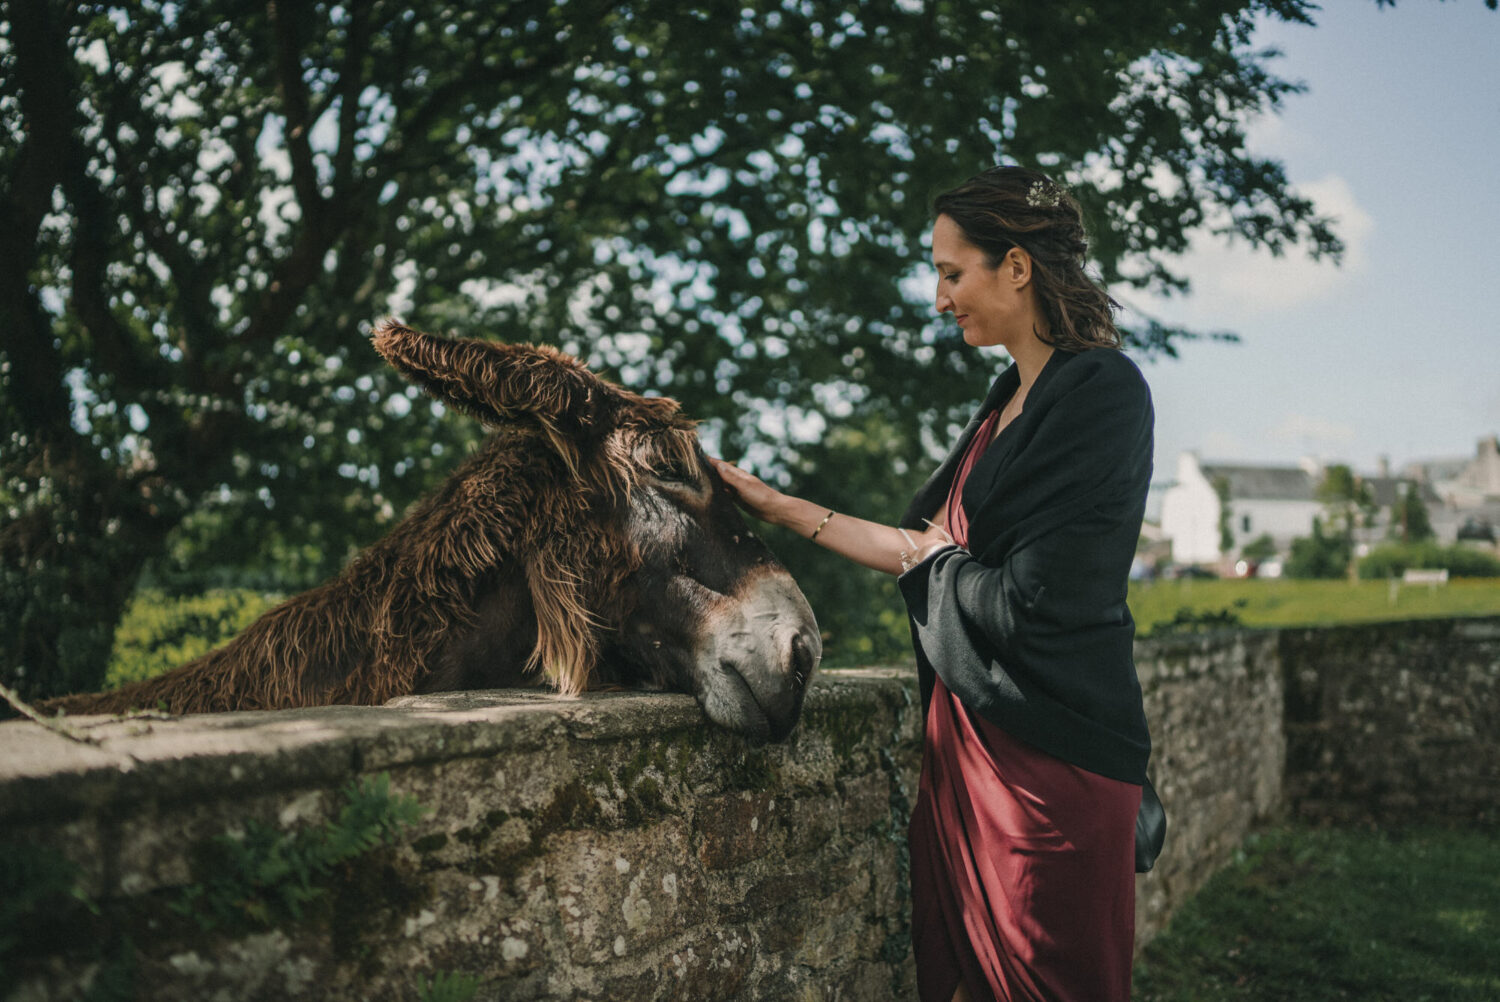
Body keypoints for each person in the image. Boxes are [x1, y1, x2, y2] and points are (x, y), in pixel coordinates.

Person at [711, 164, 1154, 1002]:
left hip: (1045, 764)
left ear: (1015, 267)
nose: (939, 297)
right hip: (962, 749)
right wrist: (777, 506)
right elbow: (925, 549)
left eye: (952, 273)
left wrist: (939, 564)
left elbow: (1037, 597)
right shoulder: (1004, 399)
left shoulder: (1103, 392)